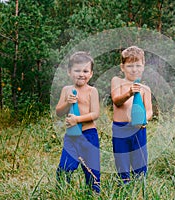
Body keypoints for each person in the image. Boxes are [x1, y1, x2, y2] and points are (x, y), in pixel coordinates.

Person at [55, 51, 100, 193]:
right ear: (69, 72)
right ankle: (62, 192)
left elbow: (95, 114)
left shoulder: (92, 91)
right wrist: (67, 104)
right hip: (72, 136)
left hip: (89, 135)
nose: (81, 74)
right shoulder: (66, 90)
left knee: (92, 170)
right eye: (77, 70)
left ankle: (93, 193)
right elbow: (59, 112)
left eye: (85, 71)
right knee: (65, 167)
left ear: (91, 74)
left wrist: (77, 119)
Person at [111, 46, 153, 184]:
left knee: (140, 162)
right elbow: (116, 101)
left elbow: (149, 111)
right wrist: (129, 93)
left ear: (143, 66)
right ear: (122, 67)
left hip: (138, 129)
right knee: (122, 162)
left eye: (137, 65)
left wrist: (144, 119)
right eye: (130, 66)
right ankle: (124, 186)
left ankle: (140, 189)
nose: (134, 69)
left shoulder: (145, 89)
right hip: (120, 128)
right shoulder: (117, 81)